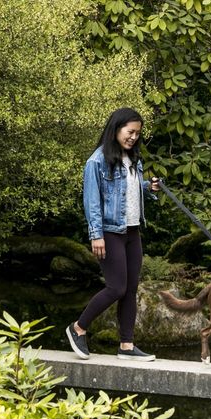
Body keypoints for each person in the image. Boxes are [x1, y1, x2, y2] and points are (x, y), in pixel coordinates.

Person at [65, 107, 160, 361]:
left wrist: (147, 187)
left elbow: (126, 191)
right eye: (130, 132)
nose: (133, 137)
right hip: (109, 231)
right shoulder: (96, 161)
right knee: (116, 287)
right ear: (116, 129)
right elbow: (92, 201)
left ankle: (126, 346)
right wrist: (96, 235)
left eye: (137, 133)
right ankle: (78, 328)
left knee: (130, 289)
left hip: (132, 230)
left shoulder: (133, 160)